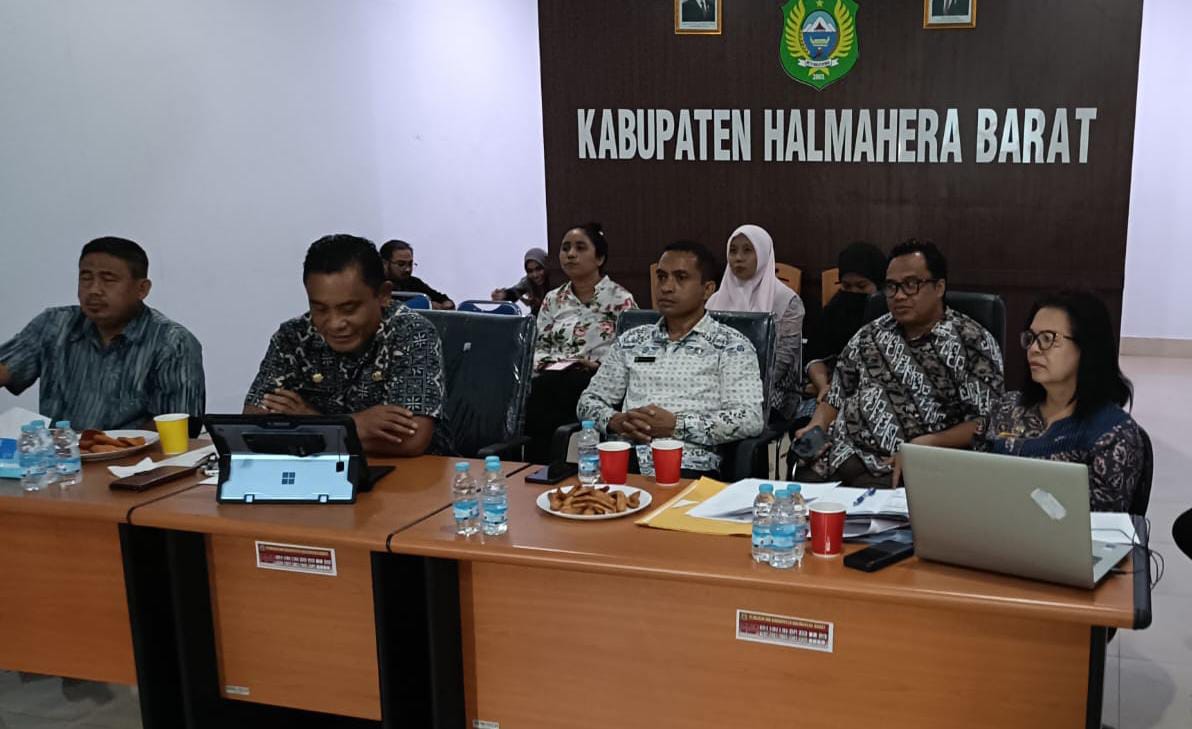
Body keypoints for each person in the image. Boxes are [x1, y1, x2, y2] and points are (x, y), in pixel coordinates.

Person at [794, 239, 1004, 487]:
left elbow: (985, 421)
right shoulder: (869, 334)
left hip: (906, 466)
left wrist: (926, 444)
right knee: (796, 494)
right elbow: (836, 396)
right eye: (892, 287)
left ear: (939, 287)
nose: (899, 295)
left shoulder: (971, 341)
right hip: (839, 455)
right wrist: (817, 425)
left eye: (911, 285)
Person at [244, 234, 449, 457]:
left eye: (349, 309)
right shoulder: (293, 336)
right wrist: (354, 424)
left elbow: (411, 438)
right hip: (318, 469)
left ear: (383, 295)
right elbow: (254, 426)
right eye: (320, 309)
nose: (335, 323)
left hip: (413, 471)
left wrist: (308, 422)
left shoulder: (411, 332)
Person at [578, 242, 764, 476]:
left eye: (681, 277)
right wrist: (616, 421)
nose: (666, 287)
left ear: (707, 289)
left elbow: (749, 418)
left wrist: (677, 425)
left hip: (688, 465)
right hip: (625, 462)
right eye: (662, 277)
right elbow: (588, 401)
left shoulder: (730, 346)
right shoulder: (632, 341)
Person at [0, 236, 205, 430]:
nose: (94, 290)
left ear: (142, 289)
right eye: (86, 278)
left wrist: (109, 447)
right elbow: (6, 369)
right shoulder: (54, 324)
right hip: (60, 453)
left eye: (108, 280)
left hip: (137, 455)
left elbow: (180, 426)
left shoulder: (172, 342)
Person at [973, 291, 1146, 512]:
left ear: (1087, 347)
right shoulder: (1006, 407)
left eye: (1048, 339)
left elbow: (1100, 523)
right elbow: (974, 479)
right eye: (1031, 338)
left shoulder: (1113, 434)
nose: (1033, 349)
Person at [523, 223, 636, 462]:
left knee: (564, 391)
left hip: (595, 380)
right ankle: (538, 467)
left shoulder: (621, 300)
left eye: (580, 248)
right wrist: (555, 363)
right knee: (536, 393)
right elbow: (536, 348)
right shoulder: (553, 299)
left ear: (600, 258)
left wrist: (596, 366)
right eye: (565, 248)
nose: (570, 254)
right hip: (552, 378)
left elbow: (631, 352)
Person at [706, 224, 804, 423]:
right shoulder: (714, 301)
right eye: (733, 251)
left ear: (763, 254)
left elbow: (782, 361)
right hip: (715, 387)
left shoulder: (787, 302)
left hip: (771, 390)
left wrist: (741, 390)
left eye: (747, 250)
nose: (738, 258)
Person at [803, 241, 887, 404]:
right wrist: (823, 386)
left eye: (861, 286)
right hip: (831, 390)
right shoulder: (834, 309)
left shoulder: (889, 316)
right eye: (847, 286)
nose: (853, 292)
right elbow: (814, 356)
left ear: (879, 285)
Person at [379, 239, 455, 310]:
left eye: (410, 264)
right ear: (384, 263)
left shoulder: (414, 282)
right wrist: (427, 305)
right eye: (401, 264)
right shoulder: (375, 284)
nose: (407, 269)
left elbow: (443, 299)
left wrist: (445, 305)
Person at [491, 247, 551, 315]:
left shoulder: (553, 279)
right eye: (530, 271)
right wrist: (504, 295)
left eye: (539, 269)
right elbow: (515, 292)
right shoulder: (527, 282)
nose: (535, 275)